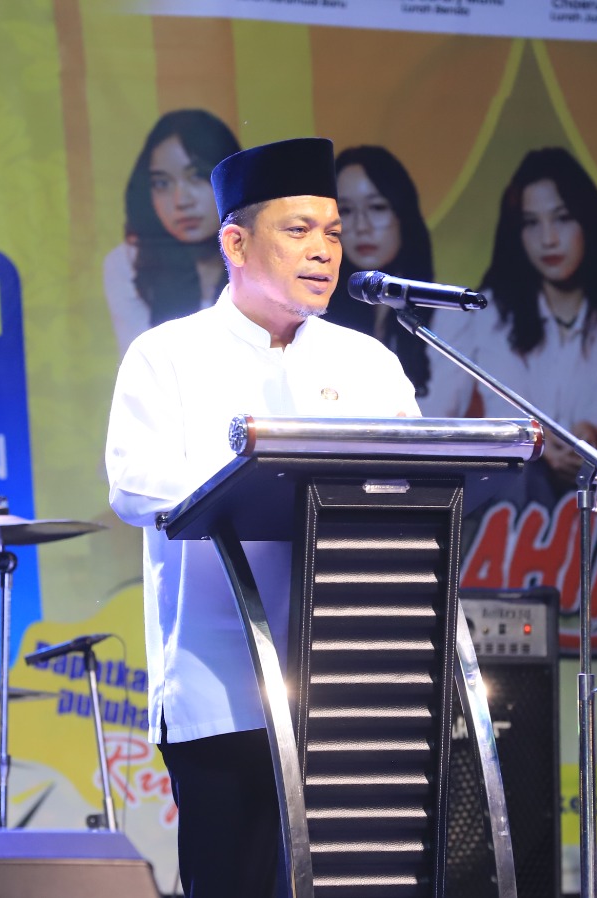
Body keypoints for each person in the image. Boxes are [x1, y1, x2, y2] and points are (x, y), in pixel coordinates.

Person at [104, 138, 419, 897]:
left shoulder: (367, 362)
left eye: (333, 232)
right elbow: (133, 483)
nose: (324, 251)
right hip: (221, 688)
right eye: (298, 230)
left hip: (352, 680)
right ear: (236, 244)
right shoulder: (167, 355)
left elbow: (414, 483)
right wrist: (256, 478)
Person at [423, 147, 597, 502]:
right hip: (528, 468)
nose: (548, 239)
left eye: (562, 218)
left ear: (587, 221)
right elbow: (505, 405)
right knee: (518, 476)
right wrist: (545, 445)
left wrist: (590, 436)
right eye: (531, 223)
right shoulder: (495, 313)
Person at [103, 109, 240, 356]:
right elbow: (142, 365)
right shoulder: (127, 263)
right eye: (162, 183)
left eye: (196, 176)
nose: (181, 200)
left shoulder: (264, 252)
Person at [323, 145, 436, 396]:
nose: (362, 226)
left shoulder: (446, 318)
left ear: (402, 214)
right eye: (346, 211)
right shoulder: (315, 313)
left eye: (376, 207)